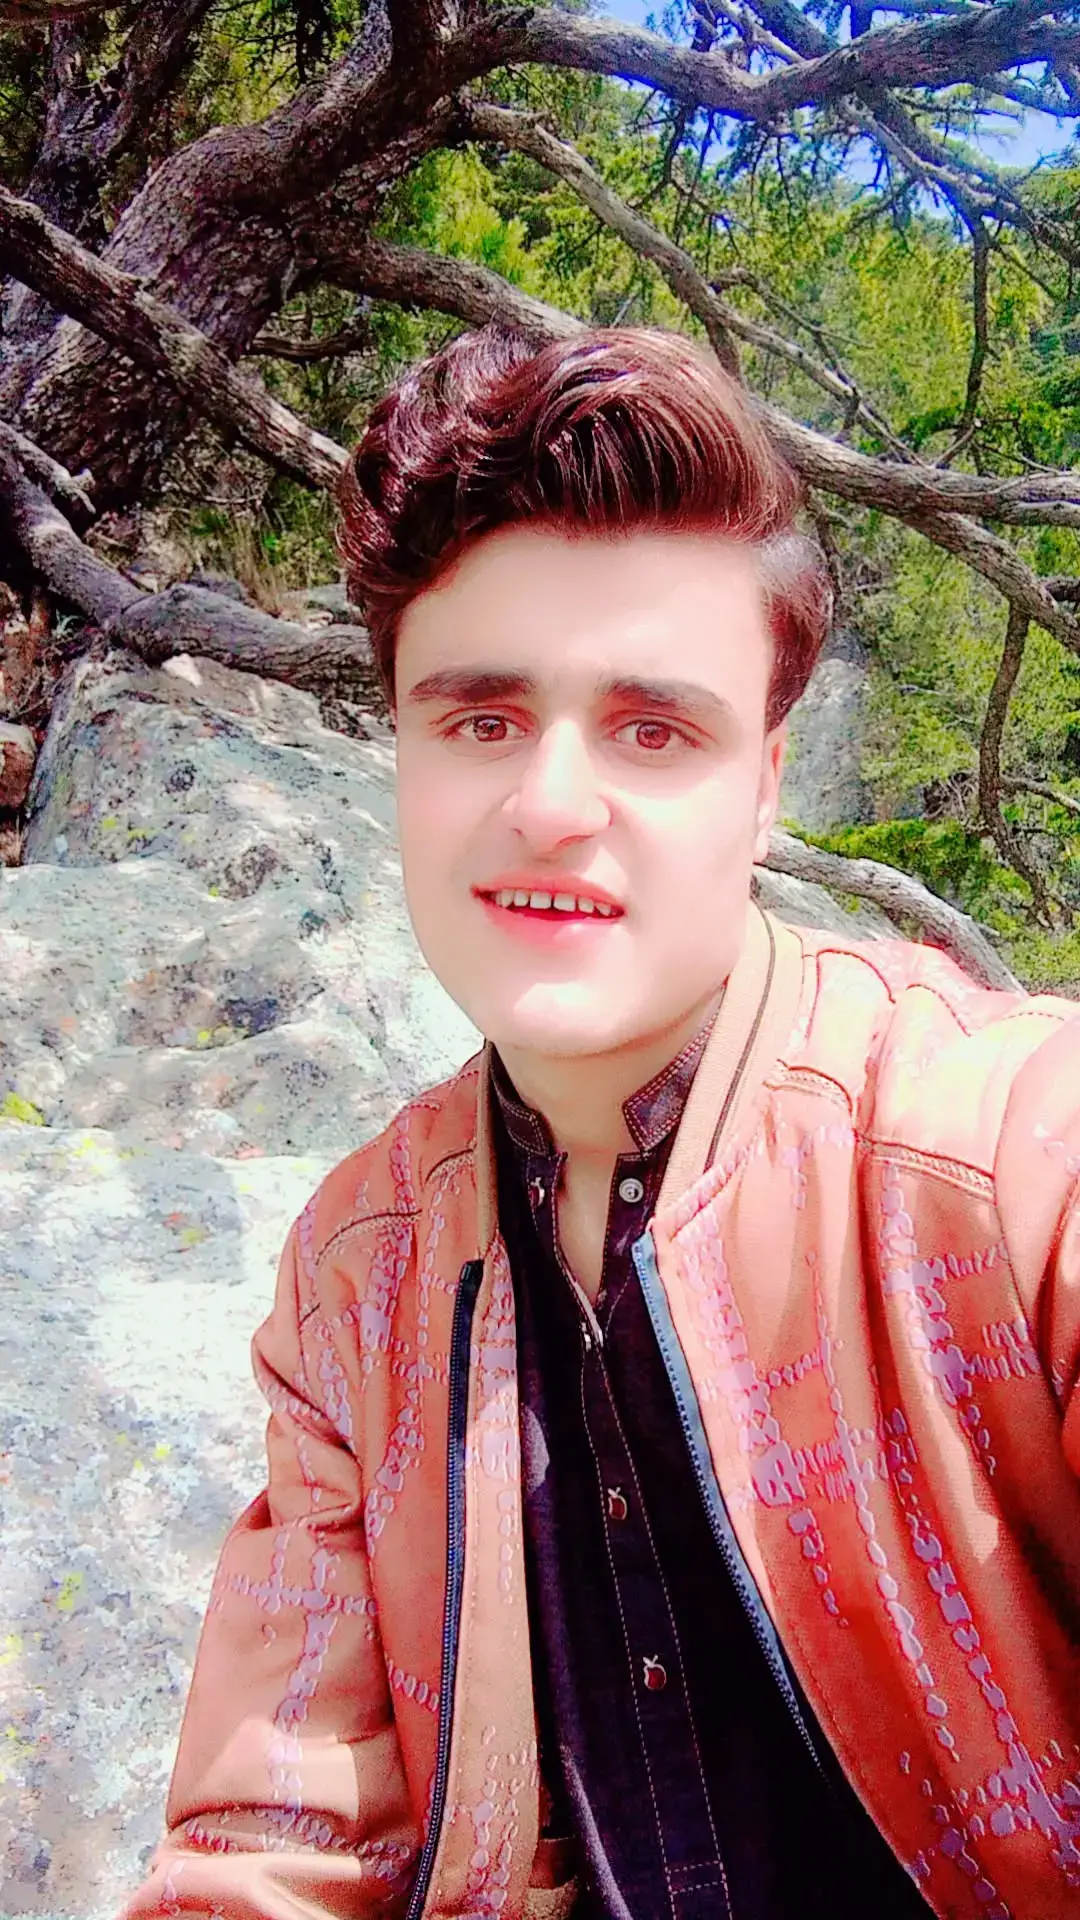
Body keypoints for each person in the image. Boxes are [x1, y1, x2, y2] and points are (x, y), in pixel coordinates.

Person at [119, 325, 1080, 1920]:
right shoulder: (356, 1275)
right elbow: (276, 1849)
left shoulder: (1015, 1153)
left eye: (655, 730)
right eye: (481, 721)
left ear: (765, 783)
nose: (552, 804)